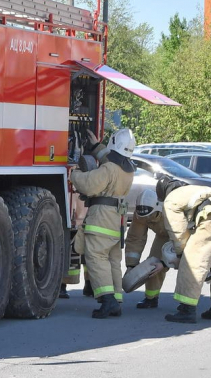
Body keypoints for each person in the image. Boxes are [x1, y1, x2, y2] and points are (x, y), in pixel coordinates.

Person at [69, 127, 136, 319]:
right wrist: (97, 147)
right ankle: (116, 300)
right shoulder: (127, 168)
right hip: (116, 221)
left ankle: (107, 301)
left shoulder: (109, 169)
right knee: (113, 260)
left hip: (101, 219)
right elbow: (111, 159)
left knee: (97, 258)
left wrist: (74, 173)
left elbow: (90, 184)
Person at [156, 175, 211, 324]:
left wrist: (181, 253)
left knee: (192, 263)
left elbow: (177, 231)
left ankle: (187, 310)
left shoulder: (171, 199)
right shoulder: (192, 189)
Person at [124, 189, 169, 308]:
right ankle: (151, 298)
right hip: (163, 235)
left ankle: (189, 305)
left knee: (188, 269)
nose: (147, 218)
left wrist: (165, 263)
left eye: (150, 215)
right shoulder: (141, 213)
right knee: (153, 265)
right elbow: (135, 238)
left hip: (184, 235)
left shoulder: (171, 210)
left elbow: (181, 239)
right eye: (144, 216)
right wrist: (131, 265)